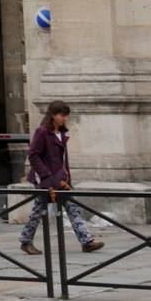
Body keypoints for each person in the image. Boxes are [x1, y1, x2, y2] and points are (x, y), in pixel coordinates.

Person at [20, 101, 103, 256]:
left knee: (73, 208)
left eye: (66, 116)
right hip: (46, 180)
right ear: (52, 115)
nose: (65, 118)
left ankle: (86, 241)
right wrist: (45, 175)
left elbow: (62, 160)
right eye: (62, 115)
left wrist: (67, 179)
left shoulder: (62, 133)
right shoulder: (42, 132)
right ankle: (26, 241)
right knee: (38, 211)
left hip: (61, 180)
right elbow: (33, 155)